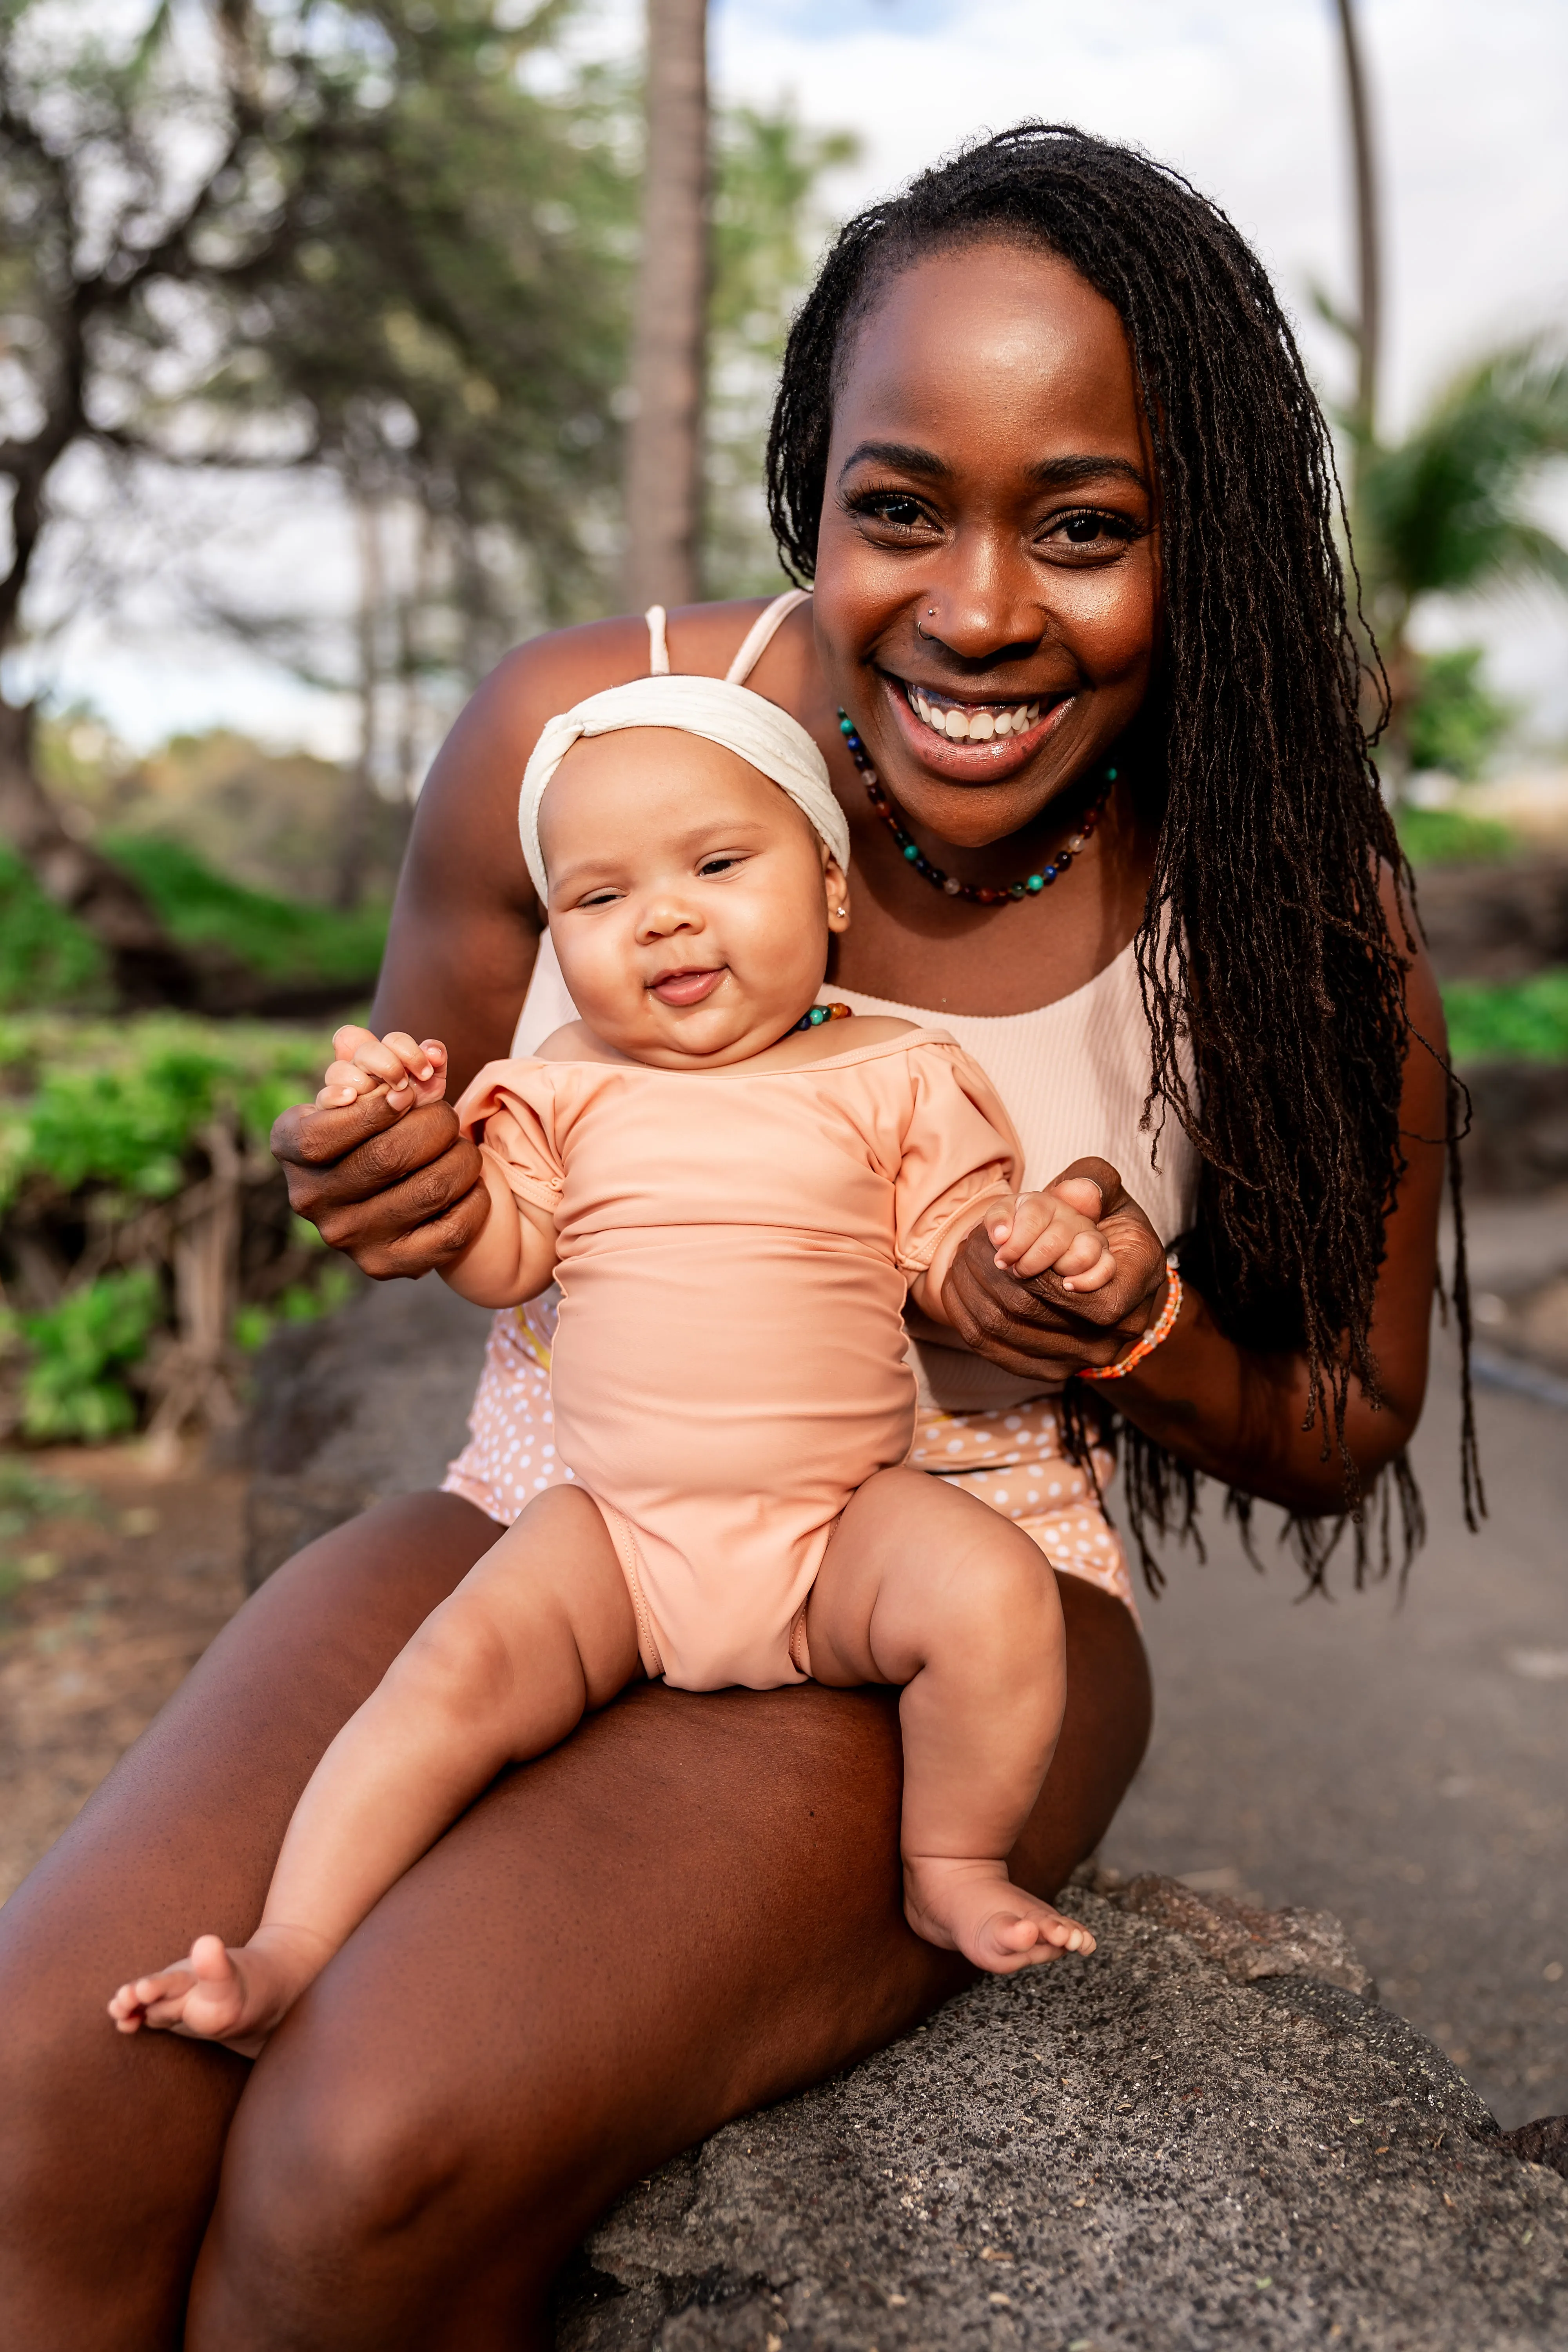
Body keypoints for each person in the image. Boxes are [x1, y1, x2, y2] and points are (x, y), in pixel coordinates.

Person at [0, 123, 1464, 2350]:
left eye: (1087, 529)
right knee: (46, 2093)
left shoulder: (1292, 904)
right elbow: (436, 1168)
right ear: (817, 495)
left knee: (362, 2155)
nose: (978, 610)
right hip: (557, 1494)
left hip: (952, 1571)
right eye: (904, 509)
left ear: (1214, 543)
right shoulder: (575, 743)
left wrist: (1120, 1323)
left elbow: (1348, 1424)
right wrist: (377, 1180)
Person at [108, 683, 1135, 2044]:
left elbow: (944, 1258)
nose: (660, 916)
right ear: (557, 940)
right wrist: (416, 1144)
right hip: (617, 1539)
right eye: (597, 899)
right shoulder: (559, 1085)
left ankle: (949, 1864)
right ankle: (288, 1948)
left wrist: (1024, 1240)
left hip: (835, 1529)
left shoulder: (898, 1072)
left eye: (717, 866)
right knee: (445, 1678)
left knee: (997, 1594)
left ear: (828, 888)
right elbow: (501, 1254)